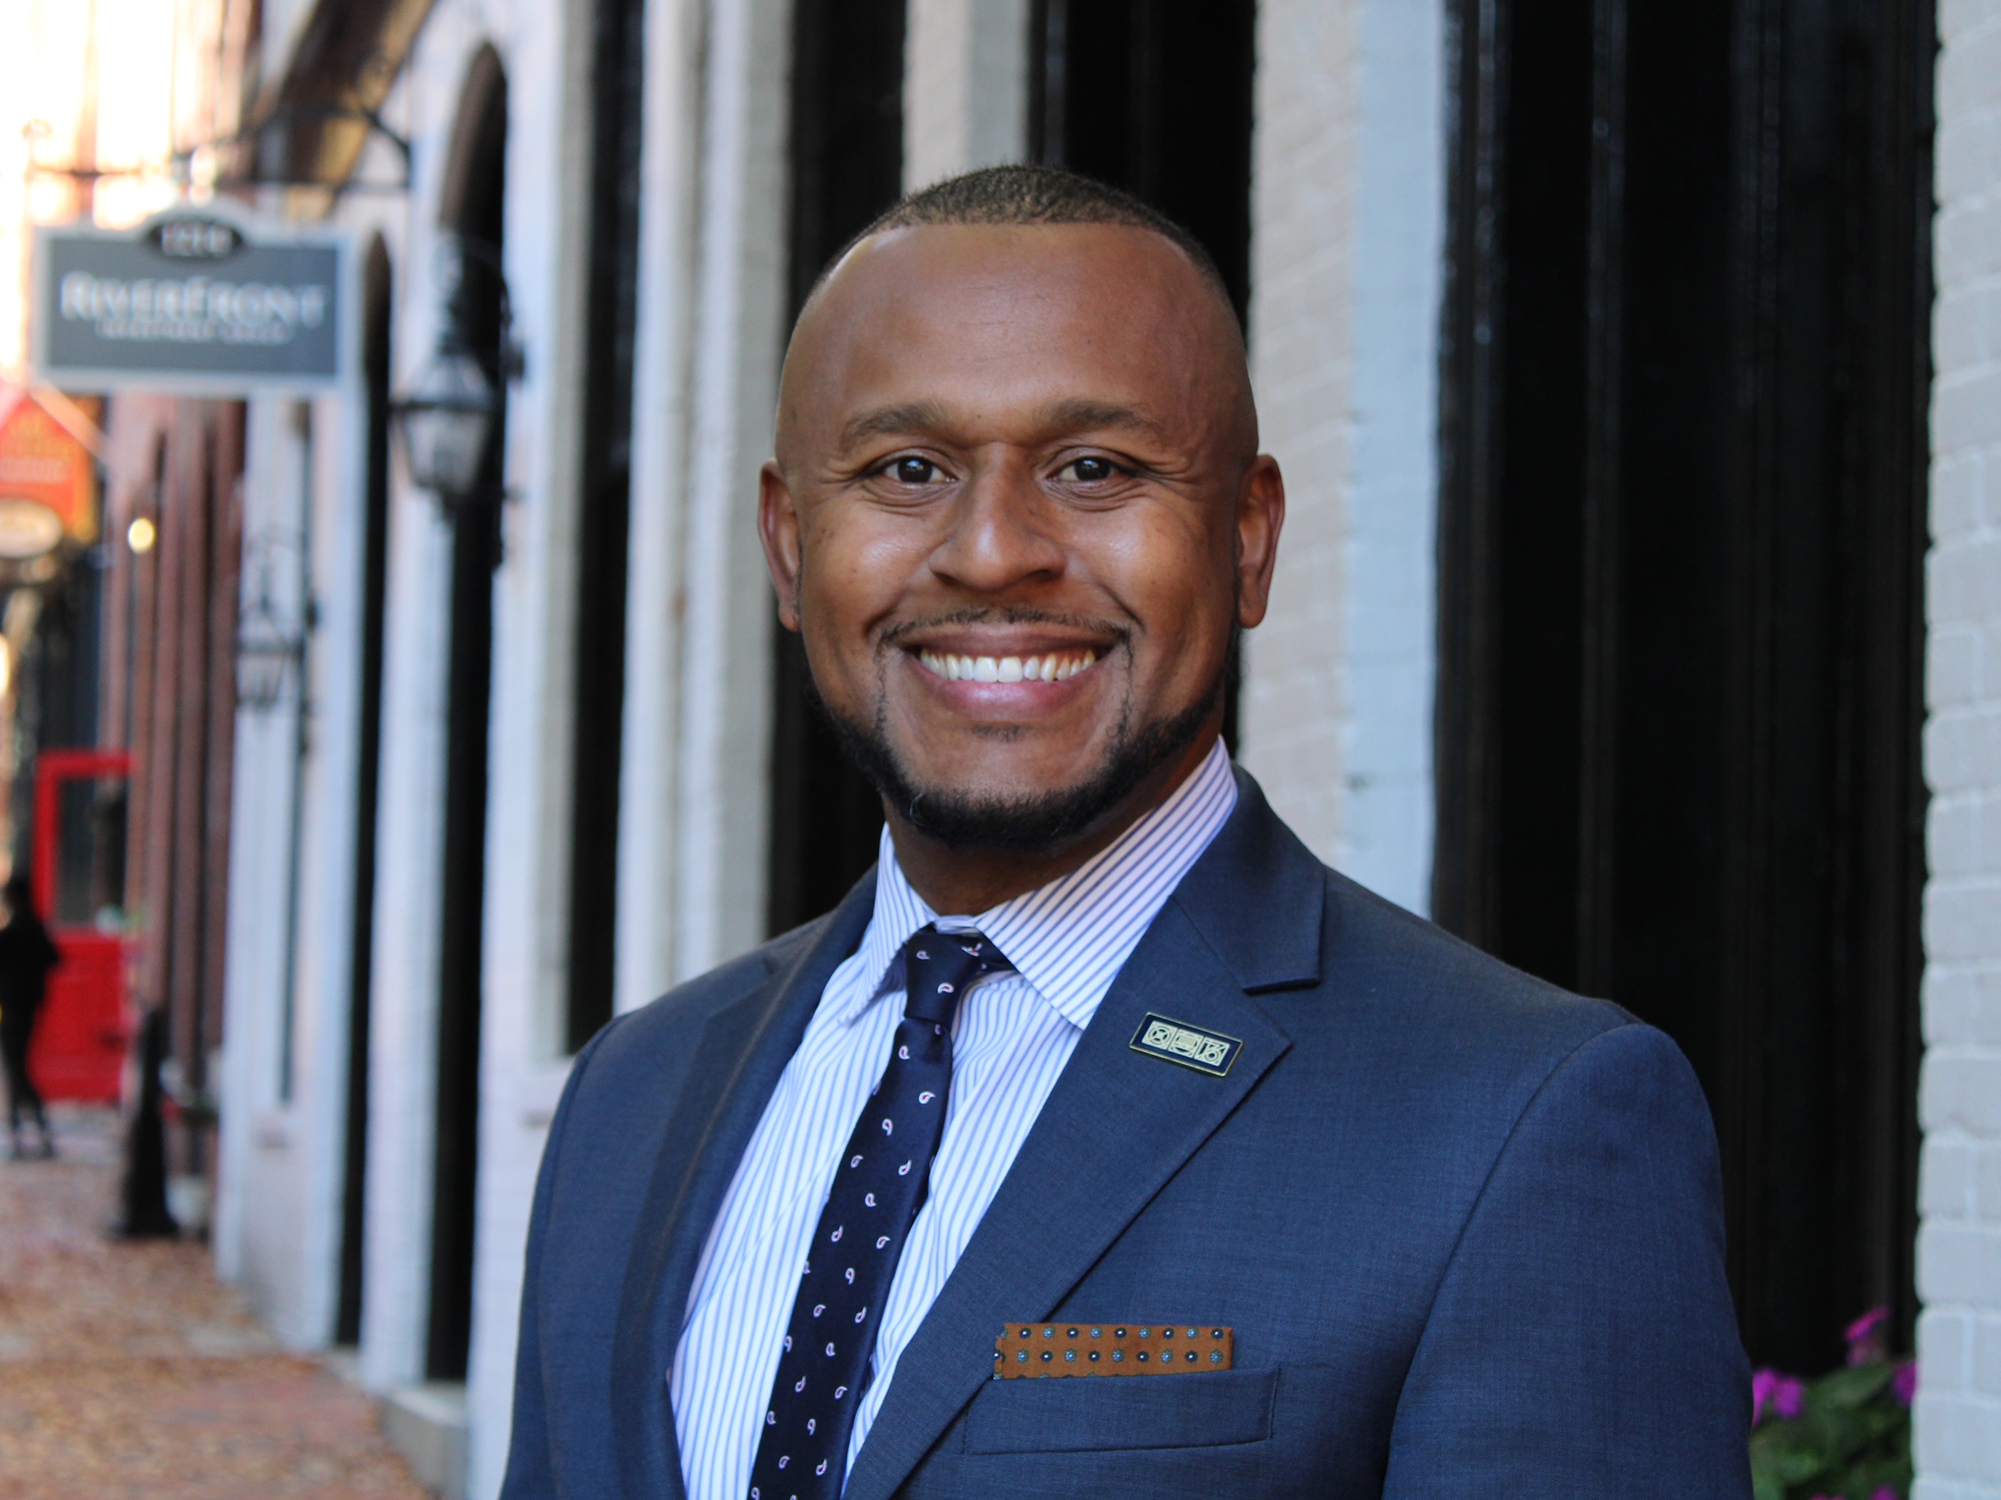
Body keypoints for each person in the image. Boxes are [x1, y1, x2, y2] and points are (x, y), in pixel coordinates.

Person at [502, 166, 1750, 1500]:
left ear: (1249, 539)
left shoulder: (1519, 1126)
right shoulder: (631, 1096)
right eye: (906, 468)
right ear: (789, 545)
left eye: (1093, 468)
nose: (990, 552)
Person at [0, 874, 61, 1160]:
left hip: (12, 1009)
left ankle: (30, 1130)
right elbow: (54, 958)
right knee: (16, 1069)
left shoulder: (13, 932)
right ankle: (26, 1133)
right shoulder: (35, 928)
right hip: (29, 1007)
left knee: (17, 1070)